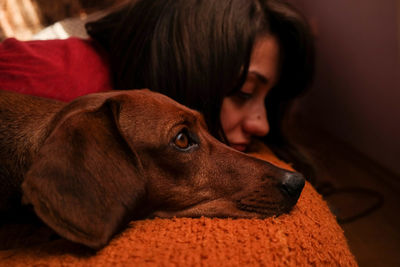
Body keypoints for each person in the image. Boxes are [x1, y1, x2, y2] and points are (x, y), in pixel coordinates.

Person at [0, 0, 314, 177]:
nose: (262, 124)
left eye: (266, 99)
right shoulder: (53, 79)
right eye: (243, 92)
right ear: (187, 62)